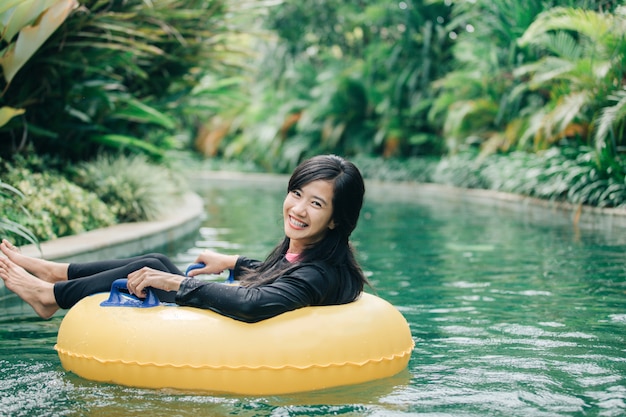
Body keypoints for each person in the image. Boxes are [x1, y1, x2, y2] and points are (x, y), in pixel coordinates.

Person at [0, 155, 369, 323]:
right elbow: (282, 276)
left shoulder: (322, 272)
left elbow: (257, 302)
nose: (298, 208)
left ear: (337, 219)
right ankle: (54, 272)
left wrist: (177, 283)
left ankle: (48, 296)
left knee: (158, 270)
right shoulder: (308, 252)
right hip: (234, 323)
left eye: (316, 203)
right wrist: (233, 263)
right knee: (157, 261)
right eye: (297, 193)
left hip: (241, 340)